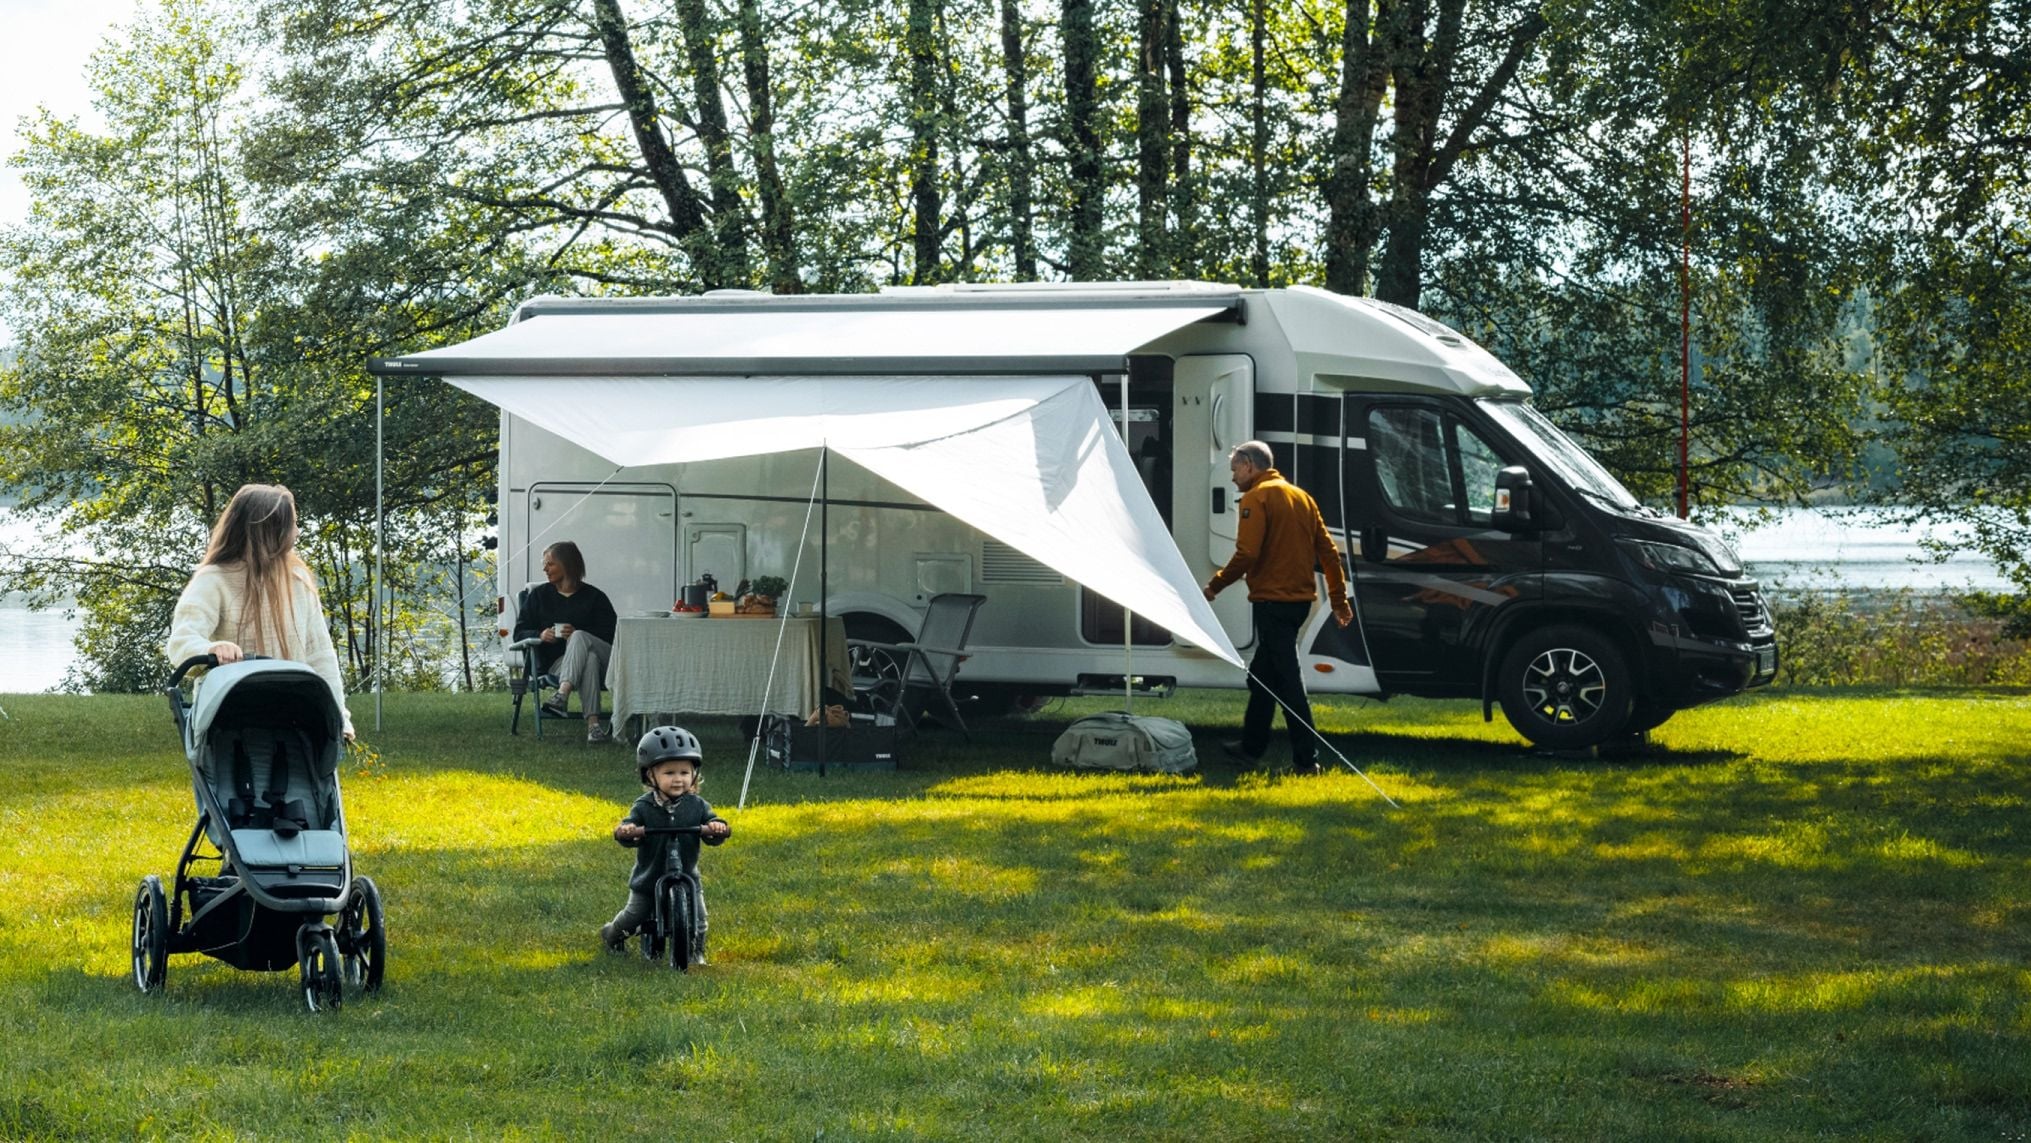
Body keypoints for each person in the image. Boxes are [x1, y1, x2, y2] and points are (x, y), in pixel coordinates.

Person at [1202, 441, 1352, 775]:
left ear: (1250, 466)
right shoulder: (1302, 497)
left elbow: (1247, 554)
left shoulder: (1256, 498)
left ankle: (1306, 760)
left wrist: (1215, 586)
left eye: (1235, 470)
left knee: (1288, 683)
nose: (1232, 478)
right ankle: (1250, 747)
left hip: (1272, 603)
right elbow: (1328, 553)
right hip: (1298, 603)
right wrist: (1339, 600)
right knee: (1262, 677)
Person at [166, 484, 356, 743]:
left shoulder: (298, 581)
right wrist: (212, 648)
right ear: (270, 530)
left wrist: (339, 717)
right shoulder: (213, 580)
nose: (297, 532)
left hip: (297, 717)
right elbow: (181, 642)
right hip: (229, 718)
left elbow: (320, 655)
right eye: (293, 524)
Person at [602, 726, 732, 962]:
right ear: (650, 775)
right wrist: (628, 830)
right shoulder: (644, 806)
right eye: (669, 772)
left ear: (694, 774)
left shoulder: (697, 805)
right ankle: (611, 934)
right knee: (633, 916)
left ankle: (695, 951)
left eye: (684, 772)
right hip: (648, 879)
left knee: (699, 917)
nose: (678, 779)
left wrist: (716, 827)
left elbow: (712, 822)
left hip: (688, 875)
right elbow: (630, 826)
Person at [513, 540, 619, 743]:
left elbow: (613, 634)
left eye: (550, 564)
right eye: (544, 564)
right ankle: (594, 727)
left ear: (568, 564)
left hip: (606, 664)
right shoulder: (539, 596)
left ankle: (562, 694)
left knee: (580, 637)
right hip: (558, 665)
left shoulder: (595, 597)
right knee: (589, 660)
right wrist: (540, 634)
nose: (545, 569)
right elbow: (519, 633)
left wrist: (580, 634)